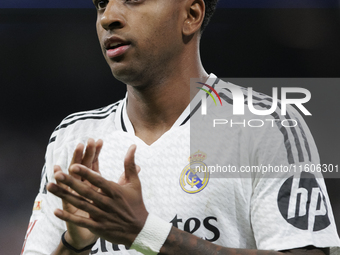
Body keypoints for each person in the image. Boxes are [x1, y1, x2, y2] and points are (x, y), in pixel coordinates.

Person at [21, 0, 340, 254]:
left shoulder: (264, 126)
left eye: (133, 0)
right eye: (102, 3)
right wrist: (75, 245)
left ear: (191, 14)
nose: (109, 18)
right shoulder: (74, 138)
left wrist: (145, 233)